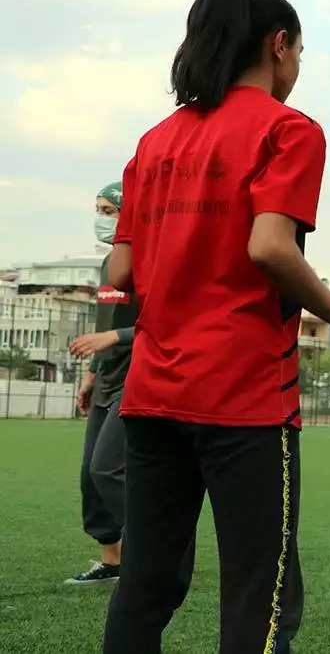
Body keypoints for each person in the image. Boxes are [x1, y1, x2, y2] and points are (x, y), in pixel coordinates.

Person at [101, 0, 330, 652]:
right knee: (258, 593)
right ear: (279, 45)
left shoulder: (154, 143)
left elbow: (120, 270)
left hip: (153, 397)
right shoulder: (287, 129)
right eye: (300, 50)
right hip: (244, 398)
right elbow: (268, 245)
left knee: (144, 587)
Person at [64, 183, 135, 585]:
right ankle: (112, 562)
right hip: (106, 380)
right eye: (98, 210)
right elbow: (103, 323)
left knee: (107, 469)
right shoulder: (108, 262)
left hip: (140, 379)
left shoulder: (150, 259)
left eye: (109, 210)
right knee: (91, 476)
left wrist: (116, 340)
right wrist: (91, 375)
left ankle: (159, 553)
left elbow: (170, 326)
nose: (101, 218)